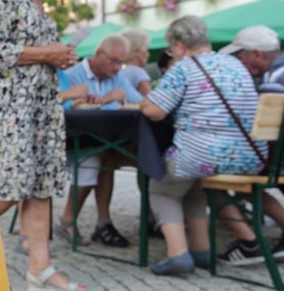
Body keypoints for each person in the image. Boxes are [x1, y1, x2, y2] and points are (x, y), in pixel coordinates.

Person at [0, 0, 84, 291]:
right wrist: (46, 52)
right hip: (13, 109)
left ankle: (40, 268)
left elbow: (36, 52)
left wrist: (59, 56)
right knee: (11, 184)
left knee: (39, 185)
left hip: (40, 106)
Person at [140, 15, 264, 275]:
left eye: (170, 49)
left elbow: (154, 111)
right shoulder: (236, 64)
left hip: (203, 154)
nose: (171, 54)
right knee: (193, 187)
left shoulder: (184, 67)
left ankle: (178, 255)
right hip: (250, 155)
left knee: (162, 189)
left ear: (180, 45)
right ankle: (201, 252)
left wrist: (146, 99)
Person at [56, 34, 144, 249]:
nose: (117, 68)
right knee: (98, 158)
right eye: (114, 61)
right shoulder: (72, 75)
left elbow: (143, 104)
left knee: (146, 157)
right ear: (98, 54)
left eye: (121, 63)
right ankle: (68, 220)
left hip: (108, 143)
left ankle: (144, 220)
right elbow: (58, 110)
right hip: (73, 142)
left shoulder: (118, 78)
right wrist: (79, 97)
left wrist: (121, 96)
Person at [212, 25, 284, 264]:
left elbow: (262, 132)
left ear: (257, 54)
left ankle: (249, 243)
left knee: (205, 175)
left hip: (278, 161)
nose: (239, 63)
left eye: (240, 57)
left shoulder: (273, 79)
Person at [119, 28, 152, 95]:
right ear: (137, 52)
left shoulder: (119, 72)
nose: (148, 54)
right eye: (146, 49)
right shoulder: (138, 73)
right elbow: (150, 101)